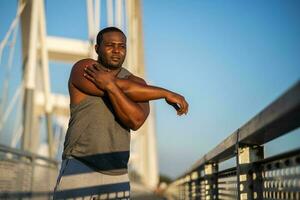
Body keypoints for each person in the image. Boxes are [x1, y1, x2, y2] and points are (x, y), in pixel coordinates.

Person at [53, 27, 188, 199]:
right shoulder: (84, 68)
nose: (117, 50)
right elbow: (130, 89)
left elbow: (136, 120)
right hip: (80, 166)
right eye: (110, 45)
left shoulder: (138, 83)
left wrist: (109, 85)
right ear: (97, 49)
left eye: (122, 46)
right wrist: (164, 93)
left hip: (117, 174)